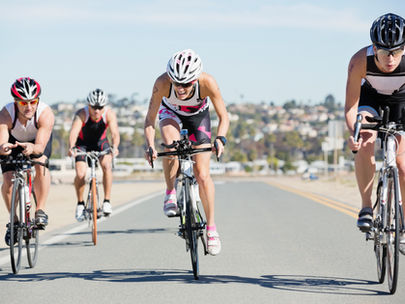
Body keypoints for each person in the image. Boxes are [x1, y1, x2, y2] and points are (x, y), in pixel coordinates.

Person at [144, 49, 230, 255]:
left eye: (186, 84)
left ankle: (211, 229)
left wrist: (220, 139)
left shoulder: (207, 82)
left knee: (202, 174)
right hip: (170, 113)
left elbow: (223, 116)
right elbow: (149, 120)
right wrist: (149, 145)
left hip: (198, 117)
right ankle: (170, 192)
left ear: (196, 79)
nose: (180, 88)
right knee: (170, 147)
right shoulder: (162, 83)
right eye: (176, 83)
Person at [345, 13, 405, 254]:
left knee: (402, 165)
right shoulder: (360, 61)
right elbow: (350, 107)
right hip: (371, 99)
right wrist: (355, 133)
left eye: (396, 52)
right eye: (383, 52)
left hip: (401, 99)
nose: (390, 59)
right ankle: (366, 207)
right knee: (366, 139)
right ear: (374, 48)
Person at [0, 77, 54, 246]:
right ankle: (14, 221)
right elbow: (2, 141)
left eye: (33, 102)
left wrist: (32, 149)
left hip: (37, 142)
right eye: (23, 103)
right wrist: (3, 147)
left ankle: (40, 210)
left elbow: (39, 146)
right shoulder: (6, 114)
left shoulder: (45, 114)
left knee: (41, 163)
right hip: (13, 142)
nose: (29, 107)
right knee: (8, 179)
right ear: (16, 102)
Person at [68, 89, 120, 221]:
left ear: (104, 107)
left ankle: (107, 201)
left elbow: (114, 134)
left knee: (107, 165)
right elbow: (74, 132)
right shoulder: (82, 113)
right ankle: (80, 204)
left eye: (100, 107)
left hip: (100, 143)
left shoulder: (109, 114)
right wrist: (72, 147)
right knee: (80, 173)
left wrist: (115, 147)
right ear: (88, 105)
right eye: (93, 107)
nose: (96, 111)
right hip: (82, 144)